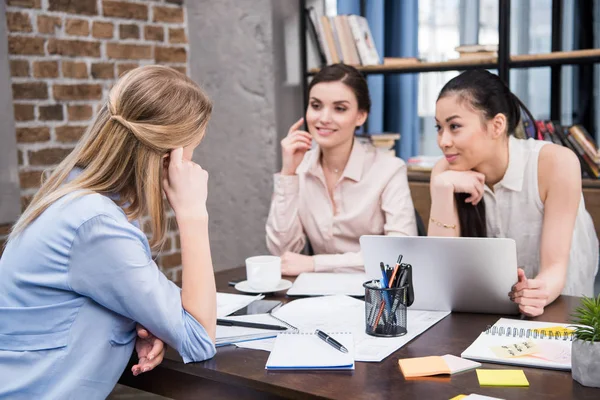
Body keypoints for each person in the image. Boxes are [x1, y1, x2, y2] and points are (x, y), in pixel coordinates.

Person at [0, 65, 217, 399]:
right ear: (167, 156)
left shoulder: (77, 197)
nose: (193, 163)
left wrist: (138, 323)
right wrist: (192, 214)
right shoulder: (95, 224)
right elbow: (199, 337)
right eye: (193, 149)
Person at [428, 69, 598, 316]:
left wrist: (537, 293)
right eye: (439, 128)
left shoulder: (555, 163)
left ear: (497, 125)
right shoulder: (445, 173)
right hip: (489, 306)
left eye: (454, 126)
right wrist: (443, 190)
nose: (443, 141)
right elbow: (439, 274)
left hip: (558, 300)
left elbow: (556, 270)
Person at [266, 63, 417, 275]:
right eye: (316, 106)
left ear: (360, 116)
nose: (324, 118)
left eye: (340, 108)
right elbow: (282, 253)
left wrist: (315, 264)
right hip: (317, 296)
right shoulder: (300, 168)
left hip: (375, 296)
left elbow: (400, 254)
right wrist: (288, 174)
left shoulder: (389, 170)